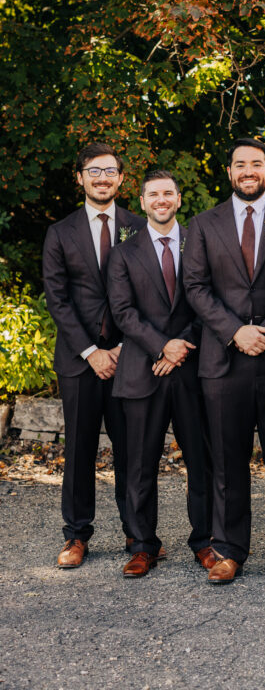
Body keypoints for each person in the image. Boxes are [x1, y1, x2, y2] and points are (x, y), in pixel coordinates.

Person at [183, 138, 265, 584]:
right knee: (226, 460)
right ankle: (230, 549)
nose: (248, 170)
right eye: (241, 164)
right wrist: (236, 331)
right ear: (230, 172)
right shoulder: (202, 224)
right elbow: (195, 287)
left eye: (257, 163)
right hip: (223, 361)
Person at [43, 142, 145, 568]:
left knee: (131, 450)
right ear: (81, 177)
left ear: (122, 179)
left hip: (129, 357)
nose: (102, 178)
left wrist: (122, 347)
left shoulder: (139, 227)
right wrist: (91, 352)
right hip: (78, 360)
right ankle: (76, 534)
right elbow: (57, 298)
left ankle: (136, 533)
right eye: (93, 171)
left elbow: (150, 293)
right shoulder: (60, 232)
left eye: (110, 171)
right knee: (80, 449)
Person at [108, 170, 213, 577]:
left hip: (191, 371)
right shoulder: (124, 253)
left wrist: (181, 346)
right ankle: (143, 544)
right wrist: (161, 346)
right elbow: (123, 312)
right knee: (139, 463)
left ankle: (205, 541)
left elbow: (209, 302)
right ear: (143, 201)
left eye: (168, 192)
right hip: (143, 369)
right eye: (154, 194)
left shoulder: (200, 245)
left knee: (202, 461)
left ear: (179, 198)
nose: (161, 199)